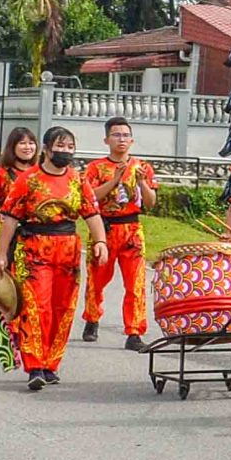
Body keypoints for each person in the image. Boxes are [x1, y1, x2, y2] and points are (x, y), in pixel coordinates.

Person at [0, 125, 104, 385]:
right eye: (60, 146)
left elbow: (92, 213)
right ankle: (35, 366)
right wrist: (0, 254)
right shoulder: (28, 179)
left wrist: (101, 241)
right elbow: (10, 218)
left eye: (70, 147)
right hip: (34, 248)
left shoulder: (77, 179)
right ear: (47, 149)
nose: (65, 151)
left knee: (62, 308)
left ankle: (51, 363)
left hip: (68, 250)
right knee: (35, 306)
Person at [80, 118, 160, 349]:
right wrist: (115, 180)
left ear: (132, 140)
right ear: (107, 140)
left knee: (135, 283)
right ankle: (92, 318)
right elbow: (90, 197)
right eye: (116, 135)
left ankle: (134, 331)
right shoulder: (96, 167)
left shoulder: (142, 166)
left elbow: (151, 202)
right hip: (103, 229)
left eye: (125, 135)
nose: (121, 139)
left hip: (132, 230)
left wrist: (143, 183)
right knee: (97, 279)